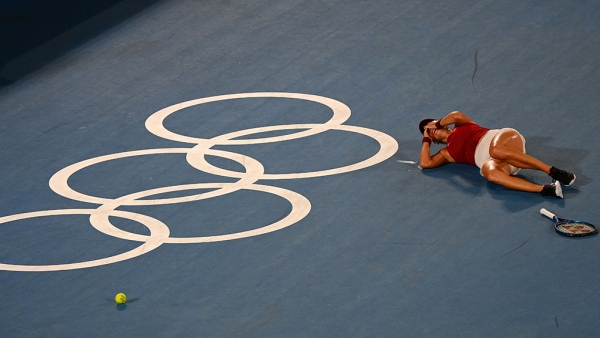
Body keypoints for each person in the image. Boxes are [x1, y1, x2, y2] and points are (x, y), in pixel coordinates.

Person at [418, 111, 575, 198]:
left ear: (443, 123)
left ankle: (552, 171)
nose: (429, 127)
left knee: (495, 149)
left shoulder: (461, 125)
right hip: (500, 162)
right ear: (434, 141)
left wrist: (437, 124)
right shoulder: (446, 153)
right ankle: (546, 189)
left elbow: (457, 115)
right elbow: (426, 163)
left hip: (507, 139)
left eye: (431, 124)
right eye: (427, 130)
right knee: (491, 175)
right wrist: (426, 138)